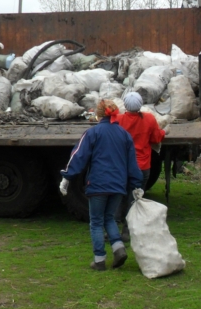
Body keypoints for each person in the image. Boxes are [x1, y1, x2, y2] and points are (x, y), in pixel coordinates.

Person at [60, 100, 143, 271]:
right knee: (109, 218)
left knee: (96, 221)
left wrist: (67, 177)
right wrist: (136, 185)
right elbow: (132, 163)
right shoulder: (124, 134)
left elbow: (78, 155)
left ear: (98, 114)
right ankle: (118, 248)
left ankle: (99, 260)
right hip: (119, 185)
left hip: (98, 184)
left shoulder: (93, 133)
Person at [111, 92, 168, 241]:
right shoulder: (149, 119)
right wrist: (164, 132)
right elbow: (156, 138)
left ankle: (112, 229)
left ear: (125, 105)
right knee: (135, 198)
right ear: (140, 104)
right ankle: (128, 231)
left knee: (118, 195)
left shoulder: (118, 120)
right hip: (142, 167)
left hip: (122, 166)